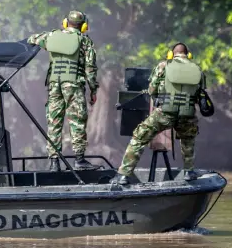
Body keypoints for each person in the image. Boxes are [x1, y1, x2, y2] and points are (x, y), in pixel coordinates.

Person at [113, 43, 204, 185]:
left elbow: (151, 90)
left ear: (171, 54)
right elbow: (199, 94)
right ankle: (189, 172)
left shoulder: (163, 66)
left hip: (165, 113)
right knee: (188, 141)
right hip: (187, 114)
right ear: (189, 55)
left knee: (139, 137)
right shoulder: (197, 70)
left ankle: (124, 175)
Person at [27, 10, 99, 172]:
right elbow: (91, 69)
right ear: (84, 26)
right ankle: (79, 160)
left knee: (54, 122)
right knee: (77, 121)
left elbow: (32, 39)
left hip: (54, 85)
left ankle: (54, 163)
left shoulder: (50, 36)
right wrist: (93, 89)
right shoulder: (84, 41)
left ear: (65, 22)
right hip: (73, 85)